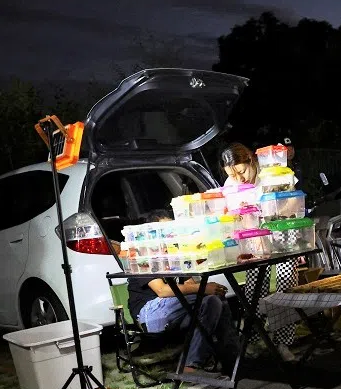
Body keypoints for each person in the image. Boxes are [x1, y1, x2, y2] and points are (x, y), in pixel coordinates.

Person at [125, 210, 240, 376]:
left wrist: (204, 288)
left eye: (173, 230)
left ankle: (201, 363)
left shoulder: (175, 254)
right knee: (208, 296)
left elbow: (189, 284)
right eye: (165, 231)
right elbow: (162, 290)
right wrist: (203, 288)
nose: (171, 234)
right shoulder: (143, 254)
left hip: (175, 312)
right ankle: (230, 358)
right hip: (150, 313)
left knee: (214, 301)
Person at [221, 143, 298, 361]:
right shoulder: (231, 184)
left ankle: (283, 343)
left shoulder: (273, 174)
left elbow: (291, 202)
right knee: (254, 289)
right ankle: (254, 341)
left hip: (282, 230)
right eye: (232, 175)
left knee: (286, 286)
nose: (239, 179)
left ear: (252, 161)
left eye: (242, 171)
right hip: (253, 238)